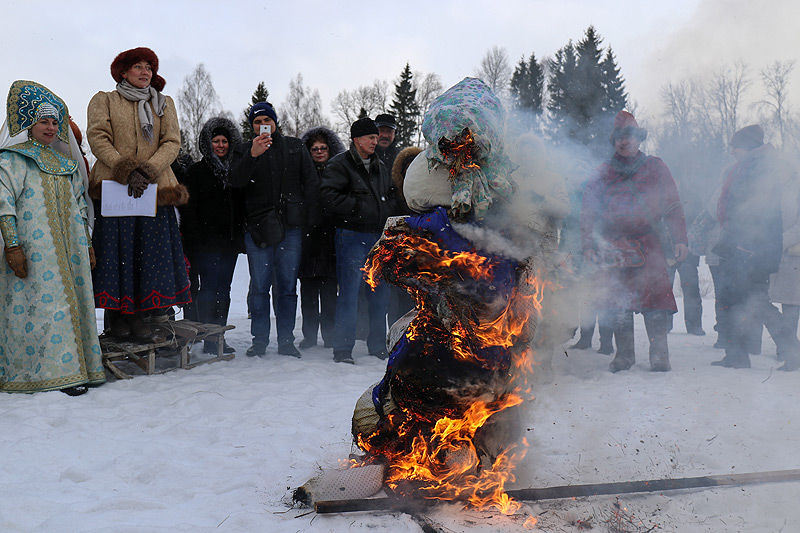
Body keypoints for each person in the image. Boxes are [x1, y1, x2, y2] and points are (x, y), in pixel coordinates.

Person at [0, 80, 105, 395]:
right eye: (43, 121)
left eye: (54, 122)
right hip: (34, 250)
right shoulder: (12, 159)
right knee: (44, 310)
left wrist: (87, 244)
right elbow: (4, 204)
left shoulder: (66, 164)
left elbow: (80, 207)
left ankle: (75, 370)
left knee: (70, 305)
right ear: (30, 124)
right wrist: (12, 245)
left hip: (71, 249)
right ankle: (45, 374)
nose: (50, 127)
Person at [87, 47, 191, 340]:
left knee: (148, 256)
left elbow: (172, 141)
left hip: (153, 190)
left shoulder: (164, 103)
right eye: (138, 67)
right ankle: (117, 317)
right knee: (118, 254)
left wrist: (146, 170)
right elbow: (98, 137)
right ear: (123, 72)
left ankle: (141, 316)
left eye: (149, 67)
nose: (145, 72)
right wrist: (125, 169)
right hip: (114, 188)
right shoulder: (104, 100)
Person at [580, 111, 688, 372]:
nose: (624, 141)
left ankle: (659, 356)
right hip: (613, 246)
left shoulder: (656, 166)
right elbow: (588, 212)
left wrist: (680, 239)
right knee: (618, 302)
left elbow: (673, 205)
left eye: (629, 135)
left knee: (656, 303)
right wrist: (589, 245)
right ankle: (624, 355)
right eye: (619, 137)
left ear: (639, 139)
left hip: (649, 244)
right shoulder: (603, 172)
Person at [227, 102, 319, 358]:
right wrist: (252, 155)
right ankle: (259, 341)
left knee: (287, 288)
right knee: (259, 287)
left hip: (291, 227)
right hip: (258, 228)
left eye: (267, 120)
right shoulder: (244, 150)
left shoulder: (294, 146)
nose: (262, 125)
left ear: (275, 122)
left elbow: (311, 183)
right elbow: (235, 181)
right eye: (257, 122)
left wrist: (309, 222)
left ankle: (286, 341)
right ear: (252, 126)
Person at [711, 125, 800, 370]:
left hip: (750, 249)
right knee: (737, 301)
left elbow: (754, 212)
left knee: (756, 303)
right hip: (744, 247)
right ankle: (737, 355)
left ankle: (793, 352)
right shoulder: (749, 167)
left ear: (748, 147)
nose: (732, 152)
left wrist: (744, 244)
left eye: (736, 147)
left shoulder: (758, 169)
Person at [320, 117, 400, 364]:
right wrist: (359, 208)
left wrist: (387, 213)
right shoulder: (340, 164)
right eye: (371, 137)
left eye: (376, 137)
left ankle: (377, 345)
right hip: (351, 236)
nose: (375, 141)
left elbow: (391, 195)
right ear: (356, 139)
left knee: (380, 294)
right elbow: (328, 196)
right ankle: (343, 349)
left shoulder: (379, 166)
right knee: (349, 294)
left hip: (378, 237)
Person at [180, 117, 244, 354]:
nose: (221, 145)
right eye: (216, 141)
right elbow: (188, 210)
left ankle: (218, 337)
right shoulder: (196, 172)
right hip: (205, 244)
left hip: (228, 243)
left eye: (224, 141)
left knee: (224, 290)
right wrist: (196, 240)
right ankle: (208, 338)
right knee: (208, 290)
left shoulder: (235, 171)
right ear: (208, 143)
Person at [298, 126, 345, 349]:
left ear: (330, 149)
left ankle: (329, 335)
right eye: (314, 148)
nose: (319, 152)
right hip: (307, 240)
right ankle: (309, 336)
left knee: (329, 294)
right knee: (308, 293)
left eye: (323, 148)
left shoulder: (339, 173)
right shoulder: (300, 174)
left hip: (331, 239)